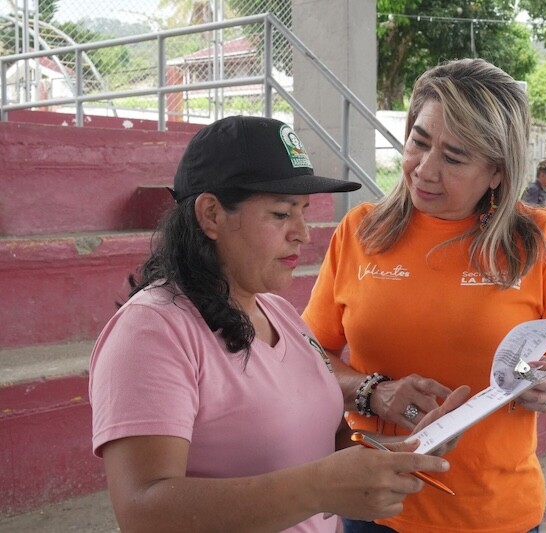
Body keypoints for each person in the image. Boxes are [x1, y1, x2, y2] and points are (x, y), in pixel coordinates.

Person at [88, 116, 471, 532]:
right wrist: (317, 489)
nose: (302, 233)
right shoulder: (153, 330)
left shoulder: (280, 313)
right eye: (280, 213)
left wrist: (407, 449)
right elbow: (142, 511)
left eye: (303, 212)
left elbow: (326, 444)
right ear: (211, 214)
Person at [302, 58, 546, 533]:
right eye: (419, 142)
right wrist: (373, 393)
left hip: (496, 515)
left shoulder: (540, 239)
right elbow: (308, 356)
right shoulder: (361, 230)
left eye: (454, 158)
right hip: (375, 503)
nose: (425, 169)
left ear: (497, 171)